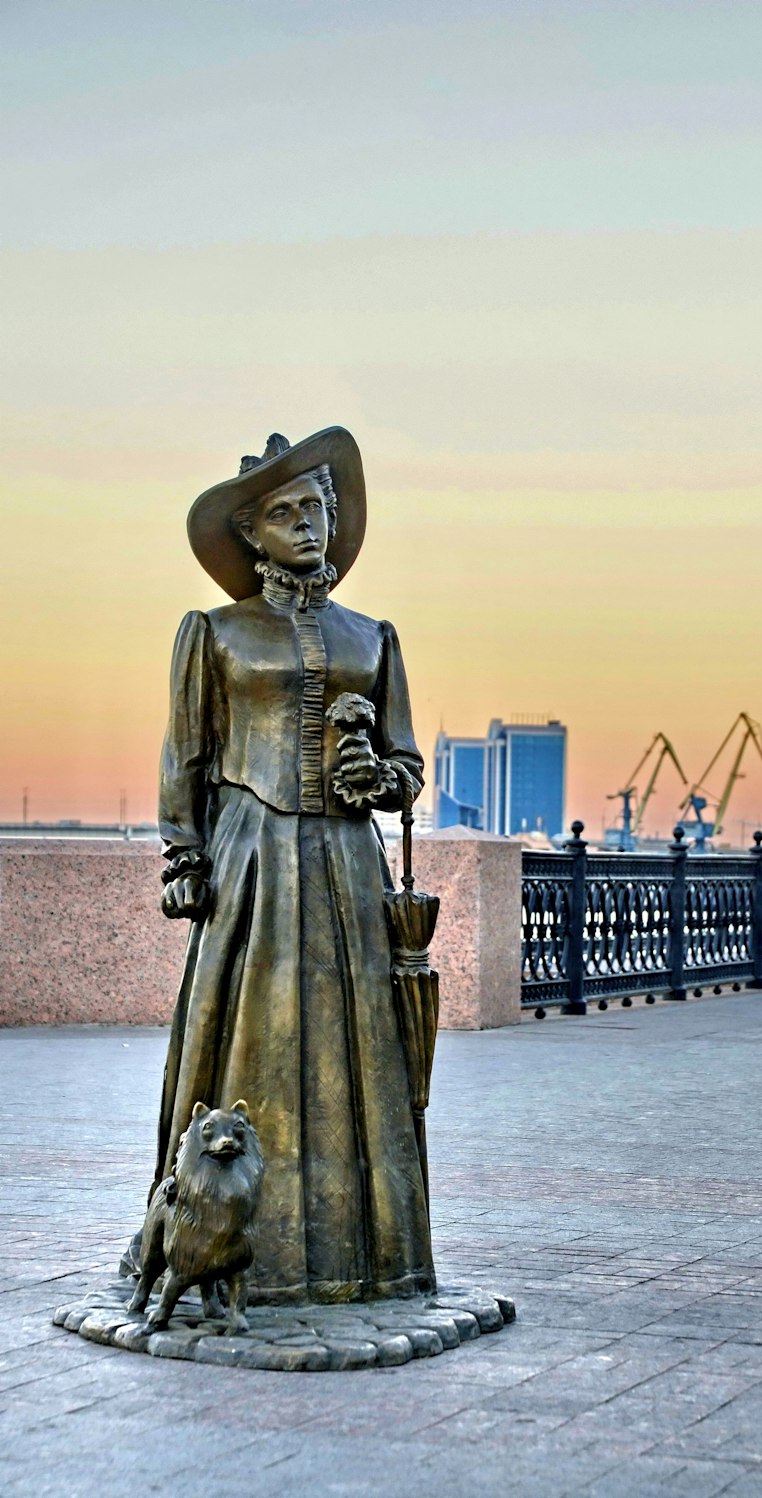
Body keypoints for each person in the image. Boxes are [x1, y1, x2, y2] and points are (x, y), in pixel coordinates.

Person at [150, 427, 435, 1303]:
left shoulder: (373, 638)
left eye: (316, 507)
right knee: (247, 1036)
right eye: (284, 512)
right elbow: (186, 756)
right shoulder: (215, 633)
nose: (306, 524)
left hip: (349, 867)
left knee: (360, 1054)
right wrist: (182, 854)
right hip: (253, 858)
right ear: (251, 535)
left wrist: (378, 775)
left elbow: (407, 769)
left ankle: (369, 1262)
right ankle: (223, 1256)